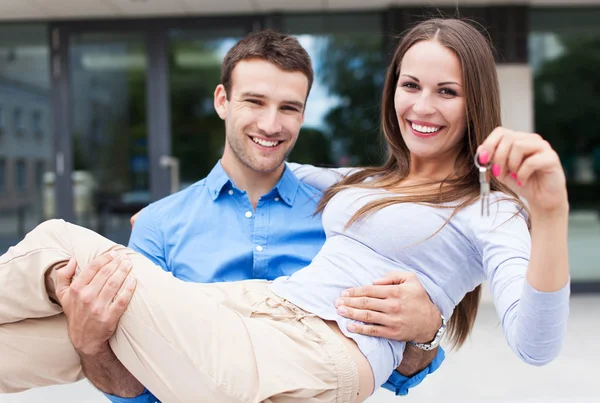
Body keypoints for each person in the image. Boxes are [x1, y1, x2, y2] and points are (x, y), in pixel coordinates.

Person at [0, 17, 570, 403]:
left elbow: (536, 346)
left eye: (447, 91)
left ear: (477, 101)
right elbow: (265, 159)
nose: (422, 106)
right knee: (38, 339)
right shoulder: (360, 183)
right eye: (410, 85)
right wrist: (91, 332)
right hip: (252, 315)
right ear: (222, 102)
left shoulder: (488, 211)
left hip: (310, 348)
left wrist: (548, 215)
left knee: (59, 239)